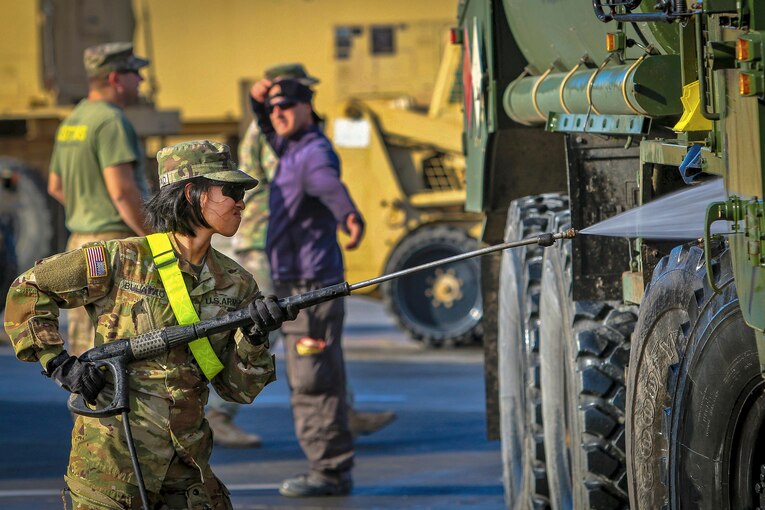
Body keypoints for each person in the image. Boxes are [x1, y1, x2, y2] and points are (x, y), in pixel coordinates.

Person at [5, 140, 293, 508]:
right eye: (231, 190)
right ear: (193, 193)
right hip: (112, 466)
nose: (241, 202)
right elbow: (29, 287)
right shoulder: (121, 259)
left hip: (186, 469)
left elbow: (237, 390)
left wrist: (255, 337)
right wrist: (58, 363)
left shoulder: (236, 283)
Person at [208, 63, 396, 449]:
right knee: (267, 327)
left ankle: (341, 411)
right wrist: (345, 212)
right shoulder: (280, 133)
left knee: (314, 335)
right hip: (267, 239)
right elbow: (308, 175)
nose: (288, 109)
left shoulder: (291, 131)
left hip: (285, 240)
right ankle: (217, 413)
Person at [249, 72, 374, 497]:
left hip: (309, 288)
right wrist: (256, 103)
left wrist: (348, 215)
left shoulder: (313, 152)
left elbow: (327, 184)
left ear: (307, 108)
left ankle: (331, 472)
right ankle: (330, 468)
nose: (277, 114)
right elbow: (270, 129)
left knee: (314, 381)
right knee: (313, 377)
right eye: (272, 108)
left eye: (286, 106)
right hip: (297, 282)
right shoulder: (293, 145)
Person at [47, 42, 152, 357]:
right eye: (135, 72)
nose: (141, 80)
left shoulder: (72, 121)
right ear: (116, 78)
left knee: (84, 349)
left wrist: (89, 210)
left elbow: (56, 186)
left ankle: (86, 407)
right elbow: (122, 191)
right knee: (118, 343)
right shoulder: (111, 122)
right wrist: (156, 238)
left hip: (79, 245)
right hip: (114, 246)